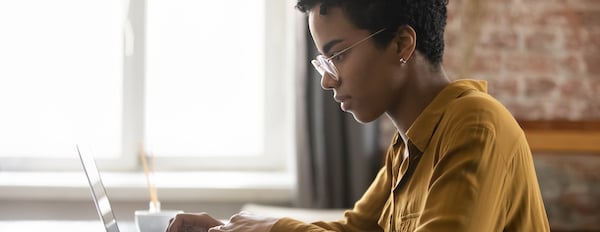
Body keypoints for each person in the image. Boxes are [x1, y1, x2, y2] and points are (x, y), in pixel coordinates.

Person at [166, 0, 551, 231]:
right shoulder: (407, 148)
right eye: (324, 61)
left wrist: (274, 228)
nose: (328, 81)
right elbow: (354, 229)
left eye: (338, 55)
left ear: (402, 43)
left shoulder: (475, 126)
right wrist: (232, 228)